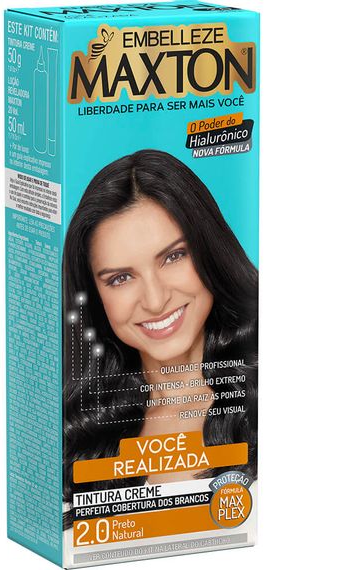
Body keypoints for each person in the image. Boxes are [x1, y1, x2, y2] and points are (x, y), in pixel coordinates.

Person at [63, 149, 257, 505]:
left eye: (173, 256)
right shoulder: (76, 436)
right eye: (120, 278)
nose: (154, 301)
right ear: (95, 297)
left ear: (210, 251)